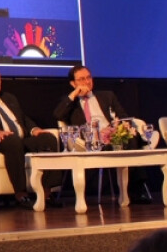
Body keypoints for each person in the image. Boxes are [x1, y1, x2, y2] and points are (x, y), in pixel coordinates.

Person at [0, 67, 63, 209]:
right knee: (13, 141)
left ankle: (46, 193)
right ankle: (21, 194)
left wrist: (34, 129)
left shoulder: (9, 98)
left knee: (48, 138)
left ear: (0, 83)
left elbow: (22, 118)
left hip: (20, 139)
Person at [53, 64, 151, 203]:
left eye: (88, 77)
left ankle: (136, 191)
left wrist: (117, 128)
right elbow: (57, 115)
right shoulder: (70, 102)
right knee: (125, 143)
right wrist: (74, 94)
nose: (87, 82)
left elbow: (123, 117)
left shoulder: (107, 96)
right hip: (89, 142)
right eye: (81, 79)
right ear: (73, 83)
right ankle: (131, 192)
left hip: (113, 135)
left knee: (130, 139)